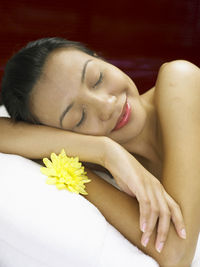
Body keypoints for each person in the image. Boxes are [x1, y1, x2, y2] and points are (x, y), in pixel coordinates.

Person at [1, 37, 200, 266]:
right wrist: (103, 153)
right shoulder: (100, 164)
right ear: (62, 135)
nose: (107, 105)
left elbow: (177, 253)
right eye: (80, 117)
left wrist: (102, 151)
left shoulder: (180, 79)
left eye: (97, 79)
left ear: (100, 58)